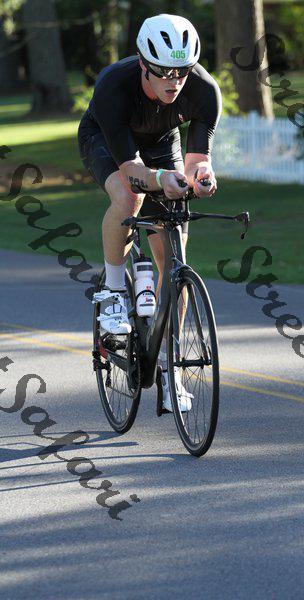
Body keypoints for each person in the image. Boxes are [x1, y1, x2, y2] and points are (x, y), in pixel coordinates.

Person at [77, 13, 222, 411]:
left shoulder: (204, 90)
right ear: (144, 64)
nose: (174, 81)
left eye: (182, 71)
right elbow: (132, 171)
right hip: (109, 142)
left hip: (161, 144)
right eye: (163, 72)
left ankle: (170, 370)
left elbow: (196, 159)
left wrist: (201, 176)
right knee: (129, 197)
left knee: (175, 262)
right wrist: (160, 179)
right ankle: (112, 291)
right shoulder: (113, 85)